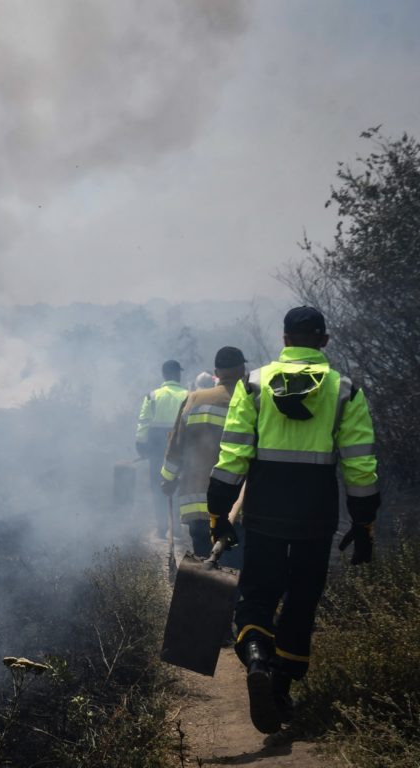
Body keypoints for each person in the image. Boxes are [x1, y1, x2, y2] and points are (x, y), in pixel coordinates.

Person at [207, 306, 379, 734]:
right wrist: (363, 524)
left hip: (263, 510)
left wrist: (218, 513)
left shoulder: (253, 384)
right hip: (316, 514)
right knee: (302, 599)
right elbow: (360, 466)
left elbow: (232, 456)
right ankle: (280, 689)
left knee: (257, 593)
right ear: (324, 341)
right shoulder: (346, 391)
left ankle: (257, 660)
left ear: (285, 339)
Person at [160, 347, 247, 558]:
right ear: (243, 370)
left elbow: (175, 447)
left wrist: (168, 479)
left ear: (217, 371)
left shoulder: (195, 399)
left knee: (203, 566)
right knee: (232, 568)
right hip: (236, 507)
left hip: (198, 505)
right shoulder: (251, 400)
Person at [135, 360, 188, 538]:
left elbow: (144, 422)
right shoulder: (188, 395)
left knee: (158, 485)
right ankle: (177, 527)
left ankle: (161, 526)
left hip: (156, 446)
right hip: (179, 445)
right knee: (178, 483)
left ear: (164, 375)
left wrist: (140, 444)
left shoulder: (152, 396)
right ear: (178, 374)